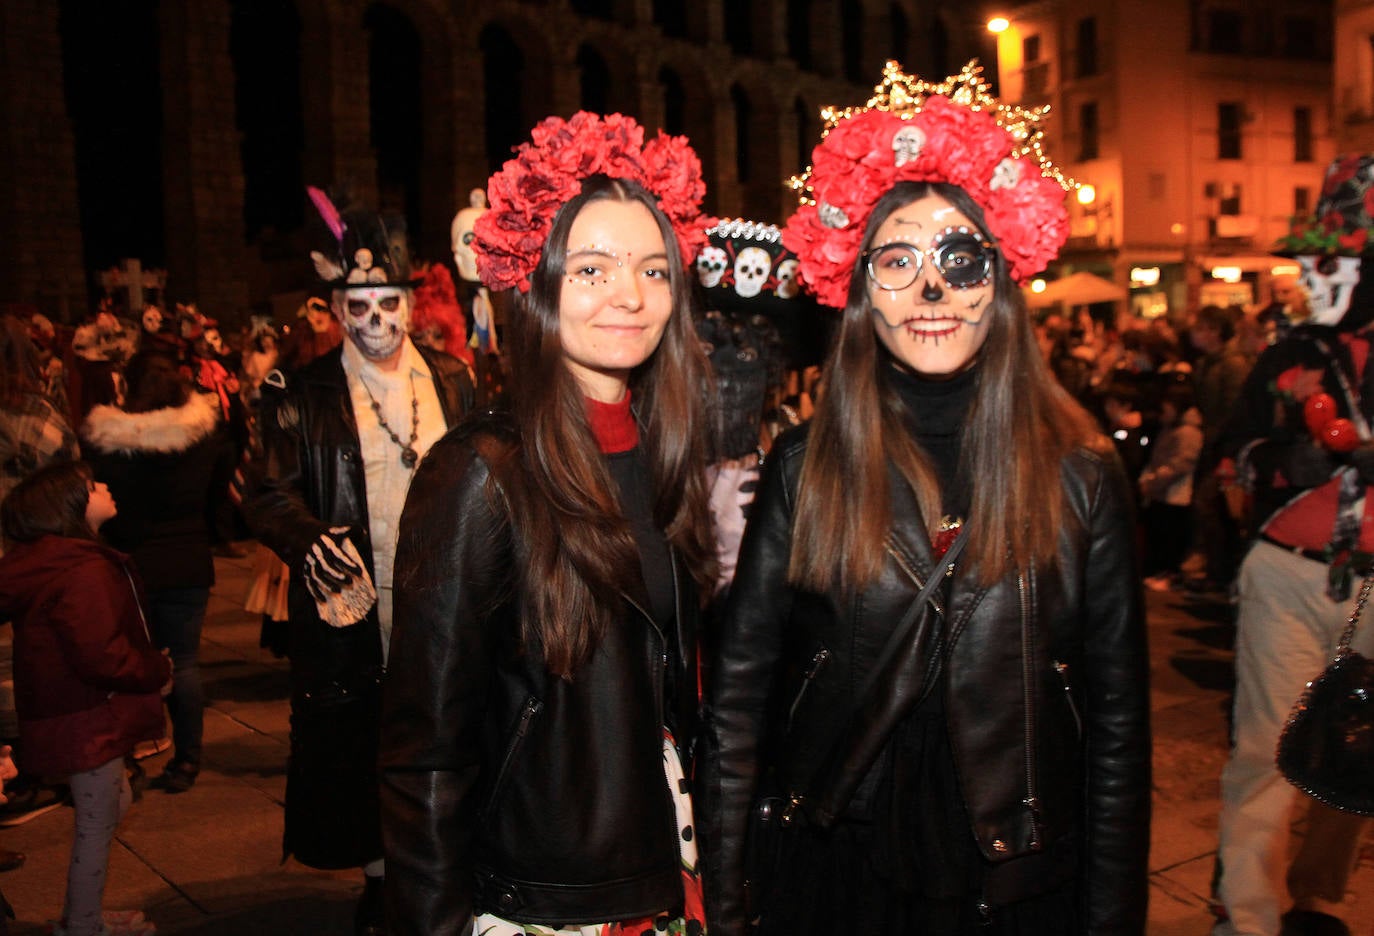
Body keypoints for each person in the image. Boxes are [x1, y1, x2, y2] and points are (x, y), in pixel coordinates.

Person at [701, 62, 1152, 935]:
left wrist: (1111, 918)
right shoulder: (804, 465)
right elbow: (741, 699)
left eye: (961, 258)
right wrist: (728, 898)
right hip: (838, 872)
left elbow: (1118, 731)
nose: (932, 291)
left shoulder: (1080, 473)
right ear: (862, 286)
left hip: (1016, 881)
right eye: (899, 260)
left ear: (1003, 278)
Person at [379, 111, 717, 936]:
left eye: (652, 269)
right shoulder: (480, 473)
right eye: (593, 268)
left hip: (664, 875)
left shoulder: (666, 453)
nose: (630, 297)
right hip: (541, 899)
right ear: (539, 279)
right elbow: (425, 748)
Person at [242, 189, 475, 935]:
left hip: (446, 597)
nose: (375, 322)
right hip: (355, 606)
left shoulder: (454, 380)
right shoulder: (297, 392)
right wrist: (310, 539)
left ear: (411, 305)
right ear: (336, 310)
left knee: (451, 727)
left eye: (388, 305)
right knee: (369, 743)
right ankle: (380, 877)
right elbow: (265, 495)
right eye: (359, 307)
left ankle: (446, 864)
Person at [1211, 153, 1374, 936]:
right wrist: (1289, 462)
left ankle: (1318, 899)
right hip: (1287, 575)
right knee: (1266, 752)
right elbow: (1230, 456)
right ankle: (1247, 919)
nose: (1310, 277)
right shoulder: (1289, 356)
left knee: (1361, 753)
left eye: (1330, 260)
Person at [0, 461, 171, 936]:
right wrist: (156, 669)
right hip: (88, 716)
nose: (104, 486)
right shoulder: (82, 570)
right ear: (68, 506)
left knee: (111, 803)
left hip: (72, 713)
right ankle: (81, 924)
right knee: (96, 824)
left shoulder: (52, 563)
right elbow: (103, 655)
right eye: (92, 485)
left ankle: (85, 915)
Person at [80, 352, 231, 796]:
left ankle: (129, 755)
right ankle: (188, 759)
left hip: (131, 564)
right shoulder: (205, 437)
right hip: (187, 559)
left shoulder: (106, 441)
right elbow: (217, 498)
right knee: (183, 662)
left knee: (128, 663)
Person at [1138, 381, 1204, 591]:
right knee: (1160, 534)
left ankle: (1170, 574)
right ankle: (1160, 571)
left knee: (1171, 537)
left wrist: (1155, 480)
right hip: (1161, 491)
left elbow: (1181, 464)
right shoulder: (1170, 429)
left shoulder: (1188, 432)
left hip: (1175, 494)